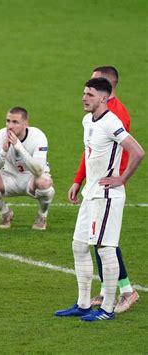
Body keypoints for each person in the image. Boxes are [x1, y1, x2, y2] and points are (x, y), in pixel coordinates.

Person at [55, 78, 144, 321]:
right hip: (90, 194)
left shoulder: (111, 122)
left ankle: (106, 309)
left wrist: (121, 179)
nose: (84, 98)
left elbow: (137, 151)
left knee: (105, 249)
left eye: (90, 95)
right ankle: (83, 305)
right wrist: (78, 180)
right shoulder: (87, 120)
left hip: (106, 195)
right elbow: (90, 153)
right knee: (79, 245)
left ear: (104, 98)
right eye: (84, 93)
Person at [0, 107, 55, 230]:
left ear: (25, 124)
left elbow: (38, 171)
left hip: (31, 179)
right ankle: (5, 212)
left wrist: (19, 147)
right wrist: (3, 151)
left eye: (15, 122)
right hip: (8, 178)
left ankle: (42, 215)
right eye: (8, 121)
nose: (10, 126)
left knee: (44, 182)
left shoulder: (38, 136)